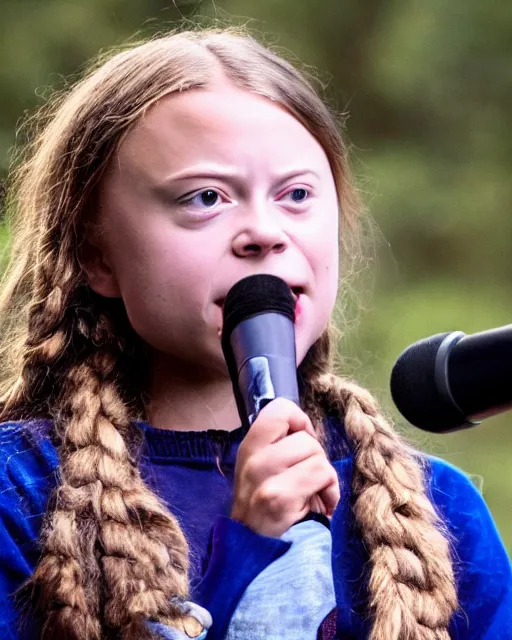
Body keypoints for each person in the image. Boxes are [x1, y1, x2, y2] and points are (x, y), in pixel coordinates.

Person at [0, 26, 510, 640]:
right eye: (206, 198)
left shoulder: (438, 510)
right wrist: (244, 553)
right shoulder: (20, 493)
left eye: (296, 194)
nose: (263, 232)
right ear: (97, 256)